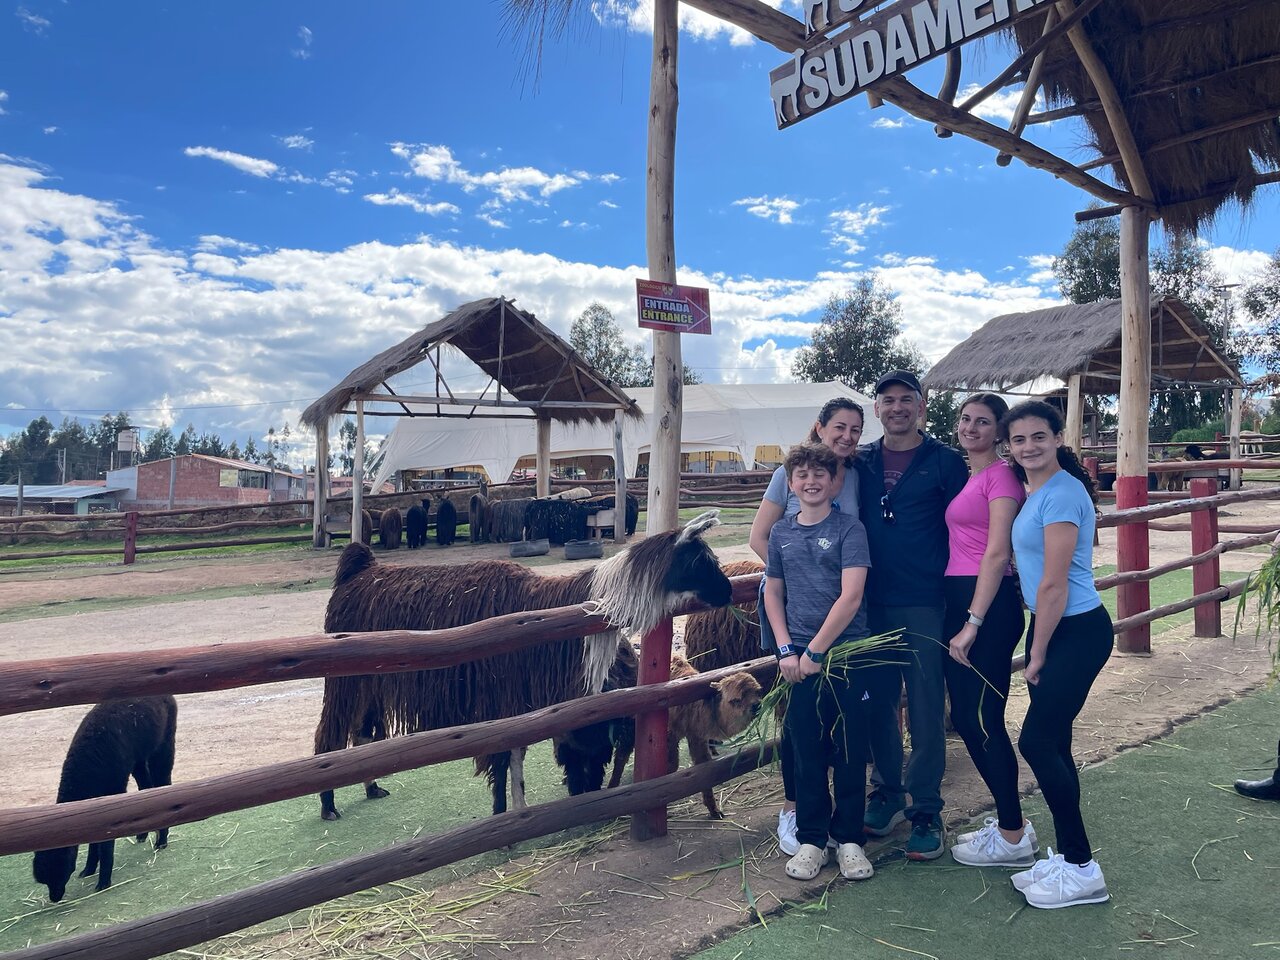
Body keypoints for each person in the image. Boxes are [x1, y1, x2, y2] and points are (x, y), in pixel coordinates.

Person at [1003, 399, 1112, 909]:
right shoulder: (1039, 491)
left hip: (1075, 631)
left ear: (1058, 438)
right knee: (1056, 742)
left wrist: (1039, 650)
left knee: (1038, 741)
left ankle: (1083, 868)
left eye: (1038, 437)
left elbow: (1054, 584)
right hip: (1052, 628)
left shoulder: (1063, 493)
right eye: (1019, 439)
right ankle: (1070, 858)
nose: (1029, 447)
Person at [856, 370, 968, 860]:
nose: (897, 407)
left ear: (921, 406)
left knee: (925, 705)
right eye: (888, 400)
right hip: (868, 603)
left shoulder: (945, 462)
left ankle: (925, 808)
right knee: (878, 703)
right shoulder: (859, 462)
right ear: (876, 409)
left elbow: (967, 526)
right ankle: (887, 792)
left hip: (924, 601)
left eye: (907, 399)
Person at [749, 397, 864, 855]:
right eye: (839, 427)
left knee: (846, 726)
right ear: (820, 427)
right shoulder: (790, 475)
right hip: (796, 623)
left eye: (855, 429)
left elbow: (852, 577)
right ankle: (796, 811)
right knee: (799, 723)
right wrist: (799, 574)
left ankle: (846, 823)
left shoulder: (856, 474)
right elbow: (760, 536)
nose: (847, 436)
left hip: (844, 623)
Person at [763, 442, 877, 882]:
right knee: (805, 747)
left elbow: (852, 596)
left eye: (820, 475)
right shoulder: (781, 533)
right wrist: (786, 649)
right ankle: (812, 838)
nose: (811, 482)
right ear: (791, 484)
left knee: (850, 746)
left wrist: (816, 651)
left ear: (834, 482)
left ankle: (848, 838)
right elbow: (774, 591)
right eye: (802, 475)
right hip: (797, 659)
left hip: (846, 655)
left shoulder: (851, 530)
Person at [941, 394, 1035, 868]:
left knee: (980, 720)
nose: (970, 427)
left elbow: (997, 553)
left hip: (986, 605)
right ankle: (1010, 825)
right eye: (965, 419)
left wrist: (972, 622)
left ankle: (1013, 834)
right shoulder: (972, 475)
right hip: (964, 598)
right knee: (969, 717)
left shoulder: (1000, 478)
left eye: (982, 421)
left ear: (999, 431)